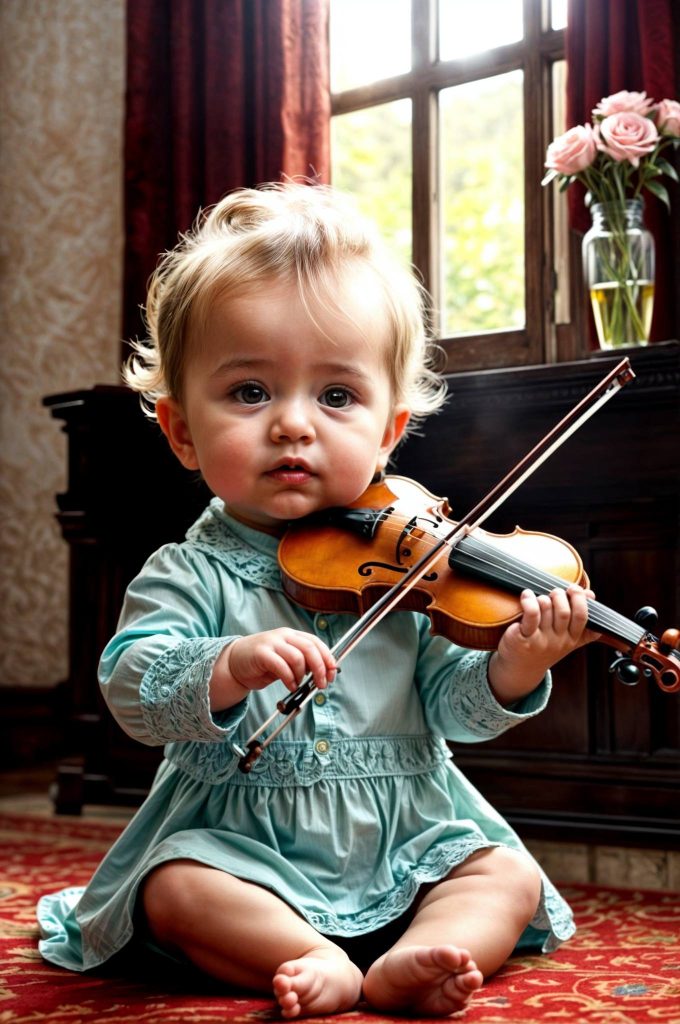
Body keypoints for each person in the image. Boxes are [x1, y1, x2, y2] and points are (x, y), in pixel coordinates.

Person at [38, 182, 597, 1019]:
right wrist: (225, 666)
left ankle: (414, 956)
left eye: (336, 396)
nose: (294, 425)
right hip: (241, 849)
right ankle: (304, 954)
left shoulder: (418, 568)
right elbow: (134, 687)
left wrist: (514, 664)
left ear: (388, 430)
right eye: (250, 392)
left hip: (405, 839)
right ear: (181, 429)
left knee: (502, 872)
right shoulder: (190, 573)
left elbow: (454, 708)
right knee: (175, 889)